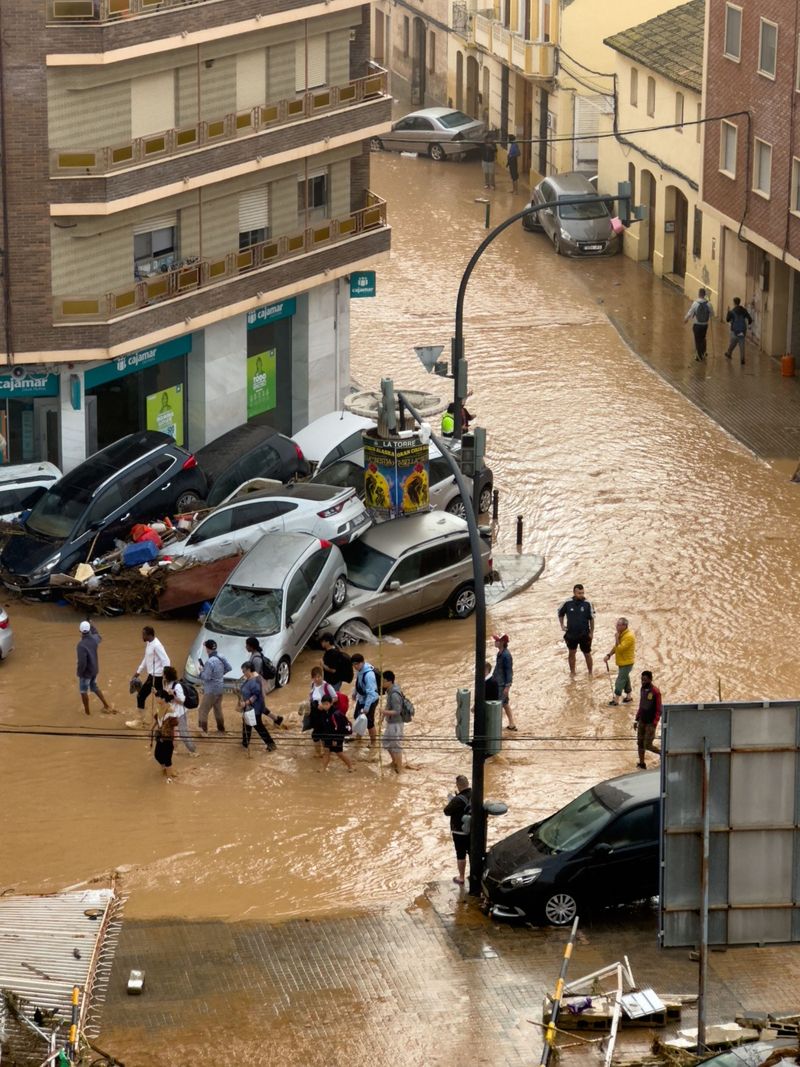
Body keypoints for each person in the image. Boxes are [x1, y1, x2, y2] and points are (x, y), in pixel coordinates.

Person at [244, 636, 284, 727]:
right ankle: (276, 719)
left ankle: (259, 723)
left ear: (252, 646)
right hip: (258, 683)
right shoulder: (254, 654)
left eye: (247, 645)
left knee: (257, 705)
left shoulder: (256, 658)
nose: (245, 647)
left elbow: (255, 674)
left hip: (259, 684)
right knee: (259, 705)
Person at [76, 620, 113, 716]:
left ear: (80, 631)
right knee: (94, 687)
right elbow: (97, 634)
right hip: (94, 670)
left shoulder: (81, 645)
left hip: (86, 673)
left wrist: (80, 673)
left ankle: (87, 712)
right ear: (89, 630)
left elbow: (82, 662)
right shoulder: (95, 639)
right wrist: (92, 624)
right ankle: (106, 705)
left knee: (83, 691)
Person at [557, 584, 595, 676]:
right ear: (574, 592)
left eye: (582, 593)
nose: (581, 595)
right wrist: (562, 625)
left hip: (584, 634)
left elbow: (592, 618)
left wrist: (591, 632)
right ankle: (572, 673)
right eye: (579, 593)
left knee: (587, 653)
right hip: (571, 634)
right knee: (571, 653)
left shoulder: (588, 603)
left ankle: (590, 673)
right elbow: (560, 612)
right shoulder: (567, 602)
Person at [239, 662, 276, 751]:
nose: (243, 673)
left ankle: (271, 744)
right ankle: (245, 744)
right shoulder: (249, 679)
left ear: (249, 670)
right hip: (249, 709)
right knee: (247, 725)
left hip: (255, 709)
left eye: (244, 671)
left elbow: (256, 695)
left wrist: (246, 703)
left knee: (258, 726)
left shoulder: (255, 681)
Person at [197, 639, 232, 733]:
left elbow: (206, 677)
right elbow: (229, 668)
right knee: (218, 709)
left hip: (211, 690)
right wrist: (219, 675)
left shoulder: (209, 662)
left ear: (207, 649)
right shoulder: (221, 656)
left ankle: (203, 732)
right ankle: (221, 730)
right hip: (220, 688)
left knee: (202, 710)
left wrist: (201, 672)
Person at [162, 665, 197, 756]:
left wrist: (173, 695)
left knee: (183, 733)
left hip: (179, 713)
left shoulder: (177, 686)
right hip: (170, 712)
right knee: (169, 732)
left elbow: (182, 700)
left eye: (164, 674)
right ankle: (172, 749)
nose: (162, 676)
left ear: (167, 675)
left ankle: (193, 750)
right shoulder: (165, 684)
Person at [133, 626, 169, 714]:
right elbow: (146, 658)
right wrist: (139, 671)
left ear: (149, 635)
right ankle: (167, 716)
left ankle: (140, 721)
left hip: (156, 677)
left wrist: (165, 677)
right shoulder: (149, 643)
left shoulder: (157, 645)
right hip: (153, 676)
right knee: (161, 698)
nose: (142, 637)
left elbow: (166, 660)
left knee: (140, 696)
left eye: (143, 635)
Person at [443, 775, 472, 885]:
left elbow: (446, 811)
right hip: (473, 830)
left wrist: (452, 800)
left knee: (461, 854)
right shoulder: (476, 793)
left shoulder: (457, 800)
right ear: (467, 783)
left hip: (459, 831)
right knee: (472, 853)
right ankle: (475, 875)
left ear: (458, 785)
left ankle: (461, 877)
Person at [318, 692, 355, 773]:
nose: (325, 706)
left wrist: (335, 739)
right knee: (326, 751)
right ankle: (323, 768)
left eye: (327, 704)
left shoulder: (336, 714)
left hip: (337, 736)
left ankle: (350, 766)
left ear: (331, 703)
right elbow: (325, 726)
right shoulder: (324, 713)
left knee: (339, 753)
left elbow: (338, 728)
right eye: (323, 704)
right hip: (328, 735)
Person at [604, 618, 636, 706]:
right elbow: (616, 647)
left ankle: (616, 700)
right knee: (626, 678)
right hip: (622, 662)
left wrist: (617, 638)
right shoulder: (621, 634)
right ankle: (629, 697)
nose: (616, 626)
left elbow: (620, 649)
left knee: (620, 680)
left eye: (619, 625)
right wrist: (609, 655)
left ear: (624, 626)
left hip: (627, 662)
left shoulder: (629, 636)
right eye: (617, 624)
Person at [634, 670, 662, 769]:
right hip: (642, 720)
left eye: (645, 680)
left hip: (651, 722)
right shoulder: (642, 689)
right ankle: (642, 763)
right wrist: (636, 719)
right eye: (642, 680)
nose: (643, 682)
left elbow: (659, 709)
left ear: (650, 679)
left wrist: (655, 723)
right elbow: (641, 705)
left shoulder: (655, 692)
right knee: (640, 743)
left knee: (648, 745)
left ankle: (662, 754)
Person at [351, 653, 380, 746]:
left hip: (371, 700)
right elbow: (358, 682)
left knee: (369, 723)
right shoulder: (360, 670)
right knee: (358, 717)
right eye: (353, 664)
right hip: (362, 698)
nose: (355, 666)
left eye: (357, 664)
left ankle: (373, 743)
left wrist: (366, 708)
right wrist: (355, 693)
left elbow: (371, 694)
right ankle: (358, 738)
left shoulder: (369, 675)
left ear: (362, 662)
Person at [309, 666, 337, 757]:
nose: (317, 679)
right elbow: (311, 696)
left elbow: (335, 698)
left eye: (319, 676)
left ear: (322, 676)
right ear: (312, 678)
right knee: (316, 733)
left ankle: (325, 754)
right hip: (315, 713)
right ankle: (319, 753)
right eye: (315, 677)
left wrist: (325, 706)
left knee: (322, 734)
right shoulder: (313, 684)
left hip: (324, 714)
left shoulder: (327, 686)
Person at [381, 670, 404, 774]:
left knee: (396, 746)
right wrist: (383, 716)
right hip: (390, 722)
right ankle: (394, 761)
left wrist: (384, 712)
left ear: (388, 681)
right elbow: (388, 705)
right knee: (385, 742)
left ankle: (399, 768)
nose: (381, 683)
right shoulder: (389, 691)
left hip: (396, 723)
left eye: (383, 681)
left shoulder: (394, 694)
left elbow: (397, 711)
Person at [491, 634, 516, 730]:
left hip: (502, 685)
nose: (495, 642)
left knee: (498, 705)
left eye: (497, 640)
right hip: (498, 683)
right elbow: (497, 669)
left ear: (502, 643)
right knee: (505, 703)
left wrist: (507, 687)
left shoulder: (506, 655)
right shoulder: (500, 653)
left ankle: (495, 727)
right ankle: (512, 724)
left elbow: (509, 671)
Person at [152, 693, 178, 781]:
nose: (156, 699)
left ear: (163, 699)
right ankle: (166, 770)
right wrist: (151, 729)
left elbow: (175, 726)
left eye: (157, 697)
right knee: (157, 755)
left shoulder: (171, 711)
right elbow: (157, 720)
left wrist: (175, 739)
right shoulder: (160, 708)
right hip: (160, 736)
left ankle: (169, 777)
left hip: (168, 737)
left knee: (167, 758)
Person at [684, 287, 714, 361]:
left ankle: (699, 356)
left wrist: (686, 319)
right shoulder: (709, 304)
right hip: (705, 325)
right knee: (703, 338)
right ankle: (703, 352)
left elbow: (690, 312)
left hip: (697, 325)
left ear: (699, 294)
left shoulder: (695, 303)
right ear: (704, 295)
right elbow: (712, 314)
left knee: (697, 340)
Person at [724, 296, 753, 364]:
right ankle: (742, 358)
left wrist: (728, 312)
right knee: (741, 343)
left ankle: (729, 353)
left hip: (734, 330)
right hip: (742, 330)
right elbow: (750, 319)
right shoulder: (744, 310)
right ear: (739, 302)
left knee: (733, 342)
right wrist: (747, 325)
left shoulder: (732, 311)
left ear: (734, 303)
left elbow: (727, 320)